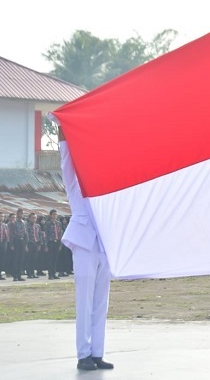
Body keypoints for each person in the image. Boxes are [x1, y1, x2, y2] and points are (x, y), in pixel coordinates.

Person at [58, 129, 114, 371]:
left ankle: (97, 353)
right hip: (83, 242)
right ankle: (83, 354)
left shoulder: (106, 182)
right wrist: (63, 127)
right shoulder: (74, 182)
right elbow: (66, 159)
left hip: (104, 242)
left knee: (101, 301)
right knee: (85, 300)